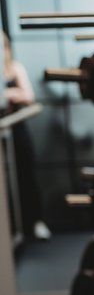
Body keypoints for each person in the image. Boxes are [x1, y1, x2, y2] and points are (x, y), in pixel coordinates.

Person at [2, 31, 52, 241]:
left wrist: (10, 94)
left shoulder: (14, 68)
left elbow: (28, 96)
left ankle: (35, 222)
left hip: (17, 130)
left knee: (26, 176)